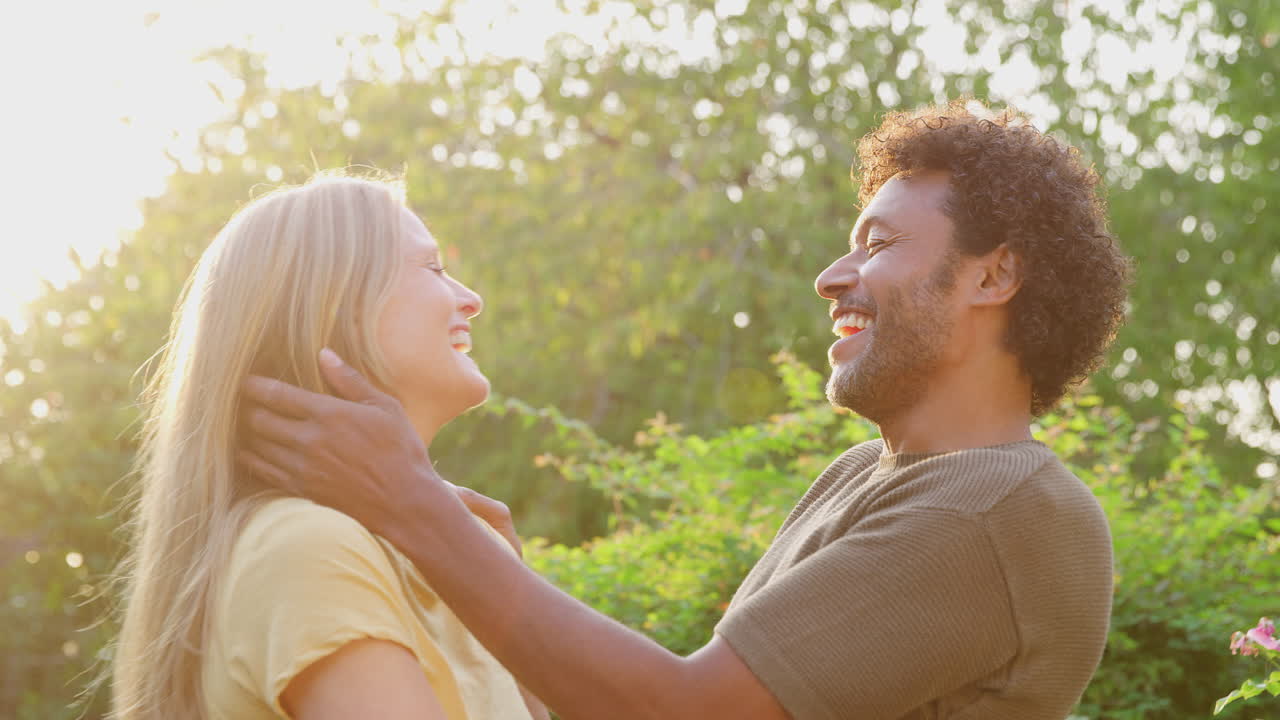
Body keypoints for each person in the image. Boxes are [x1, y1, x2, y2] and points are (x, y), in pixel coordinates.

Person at [240, 100, 1132, 719]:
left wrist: (418, 508)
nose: (831, 277)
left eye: (882, 242)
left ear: (992, 275)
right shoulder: (869, 476)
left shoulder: (1003, 511)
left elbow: (685, 711)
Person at [109, 172, 549, 720]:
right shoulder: (308, 547)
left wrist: (501, 580)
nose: (472, 299)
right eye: (433, 268)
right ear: (333, 307)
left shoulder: (438, 559)